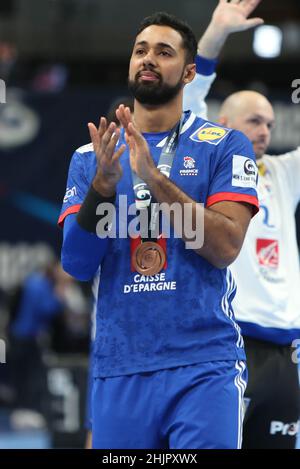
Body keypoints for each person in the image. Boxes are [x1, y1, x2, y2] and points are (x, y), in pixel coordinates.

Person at [59, 12, 259, 449]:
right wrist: (102, 188)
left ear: (189, 71)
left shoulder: (224, 145)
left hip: (204, 364)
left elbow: (225, 246)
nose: (148, 59)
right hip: (120, 364)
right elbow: (75, 262)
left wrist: (155, 180)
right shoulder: (91, 157)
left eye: (163, 52)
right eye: (140, 50)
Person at [184, 0, 300, 449]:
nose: (266, 131)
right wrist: (216, 30)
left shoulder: (284, 174)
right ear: (224, 124)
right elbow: (191, 96)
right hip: (231, 344)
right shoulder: (207, 163)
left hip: (285, 352)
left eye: (270, 123)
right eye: (255, 121)